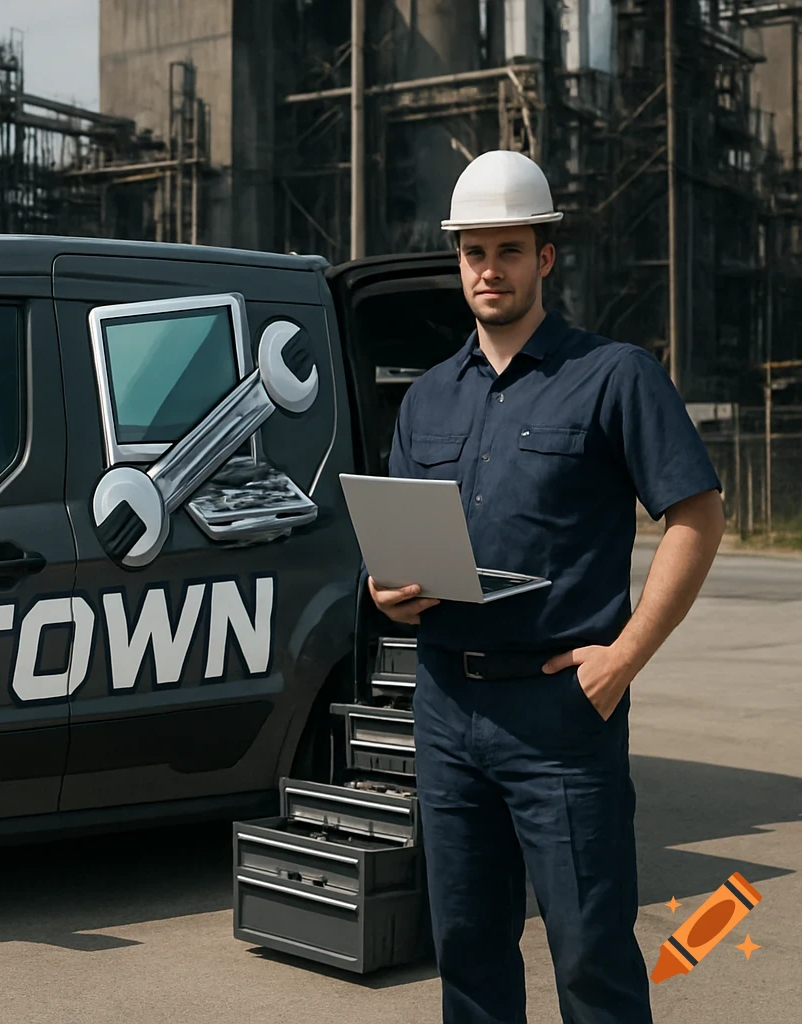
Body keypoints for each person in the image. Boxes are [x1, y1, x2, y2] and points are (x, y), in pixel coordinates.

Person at [367, 150, 727, 1024]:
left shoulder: (614, 377)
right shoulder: (427, 400)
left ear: (545, 258)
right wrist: (387, 589)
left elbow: (698, 515)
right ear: (457, 261)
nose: (489, 270)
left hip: (564, 710)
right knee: (467, 949)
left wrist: (624, 657)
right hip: (448, 708)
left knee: (591, 954)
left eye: (509, 250)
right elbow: (398, 541)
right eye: (473, 252)